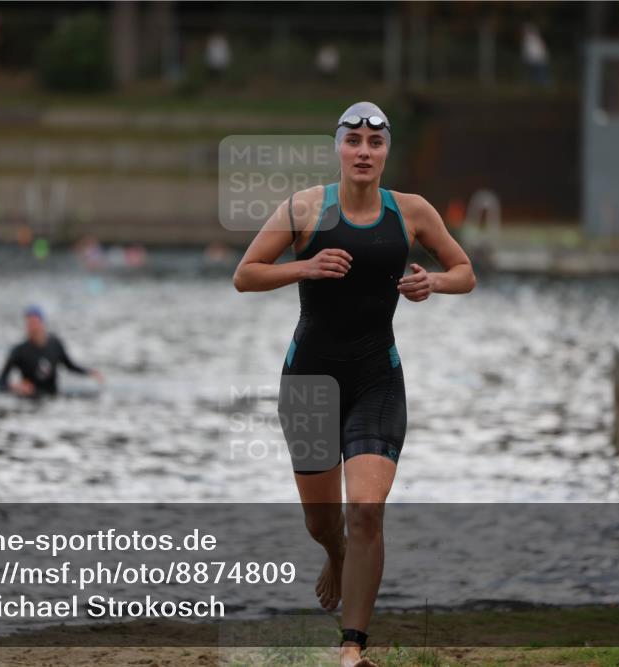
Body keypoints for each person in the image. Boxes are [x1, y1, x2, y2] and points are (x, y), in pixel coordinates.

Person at [233, 102, 475, 667]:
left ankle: (352, 648)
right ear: (338, 147)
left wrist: (431, 282)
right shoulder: (304, 208)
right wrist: (305, 267)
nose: (364, 151)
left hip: (377, 379)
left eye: (375, 141)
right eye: (354, 140)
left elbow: (465, 271)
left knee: (366, 508)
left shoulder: (412, 212)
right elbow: (245, 274)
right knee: (323, 521)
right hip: (310, 384)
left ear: (387, 151)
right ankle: (335, 555)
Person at [0, 306, 103, 397]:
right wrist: (17, 387)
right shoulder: (19, 351)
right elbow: (0, 383)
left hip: (52, 395)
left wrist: (90, 373)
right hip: (30, 399)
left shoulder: (55, 344)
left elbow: (70, 366)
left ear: (42, 323)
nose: (32, 327)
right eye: (29, 323)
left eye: (35, 323)